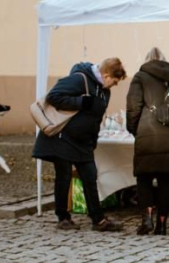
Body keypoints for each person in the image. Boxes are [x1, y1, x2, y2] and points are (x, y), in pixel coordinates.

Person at [32, 57, 127, 232]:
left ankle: (98, 220)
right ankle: (63, 217)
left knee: (90, 177)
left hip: (83, 141)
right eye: (114, 81)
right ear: (106, 75)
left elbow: (96, 117)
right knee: (64, 176)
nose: (115, 85)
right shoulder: (79, 78)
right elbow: (54, 96)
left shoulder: (104, 91)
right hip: (64, 137)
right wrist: (81, 102)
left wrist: (93, 140)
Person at [126, 47, 169, 236]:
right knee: (166, 179)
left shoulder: (140, 77)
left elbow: (133, 108)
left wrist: (133, 130)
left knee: (144, 178)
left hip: (148, 134)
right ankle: (162, 223)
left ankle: (147, 220)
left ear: (147, 60)